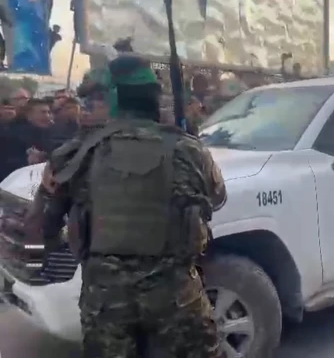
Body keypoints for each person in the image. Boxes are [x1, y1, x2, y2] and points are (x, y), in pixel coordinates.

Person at [36, 56, 227, 357]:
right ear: (154, 98)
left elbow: (44, 226)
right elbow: (217, 199)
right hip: (176, 301)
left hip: (107, 307)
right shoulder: (189, 150)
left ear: (112, 99)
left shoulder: (73, 155)